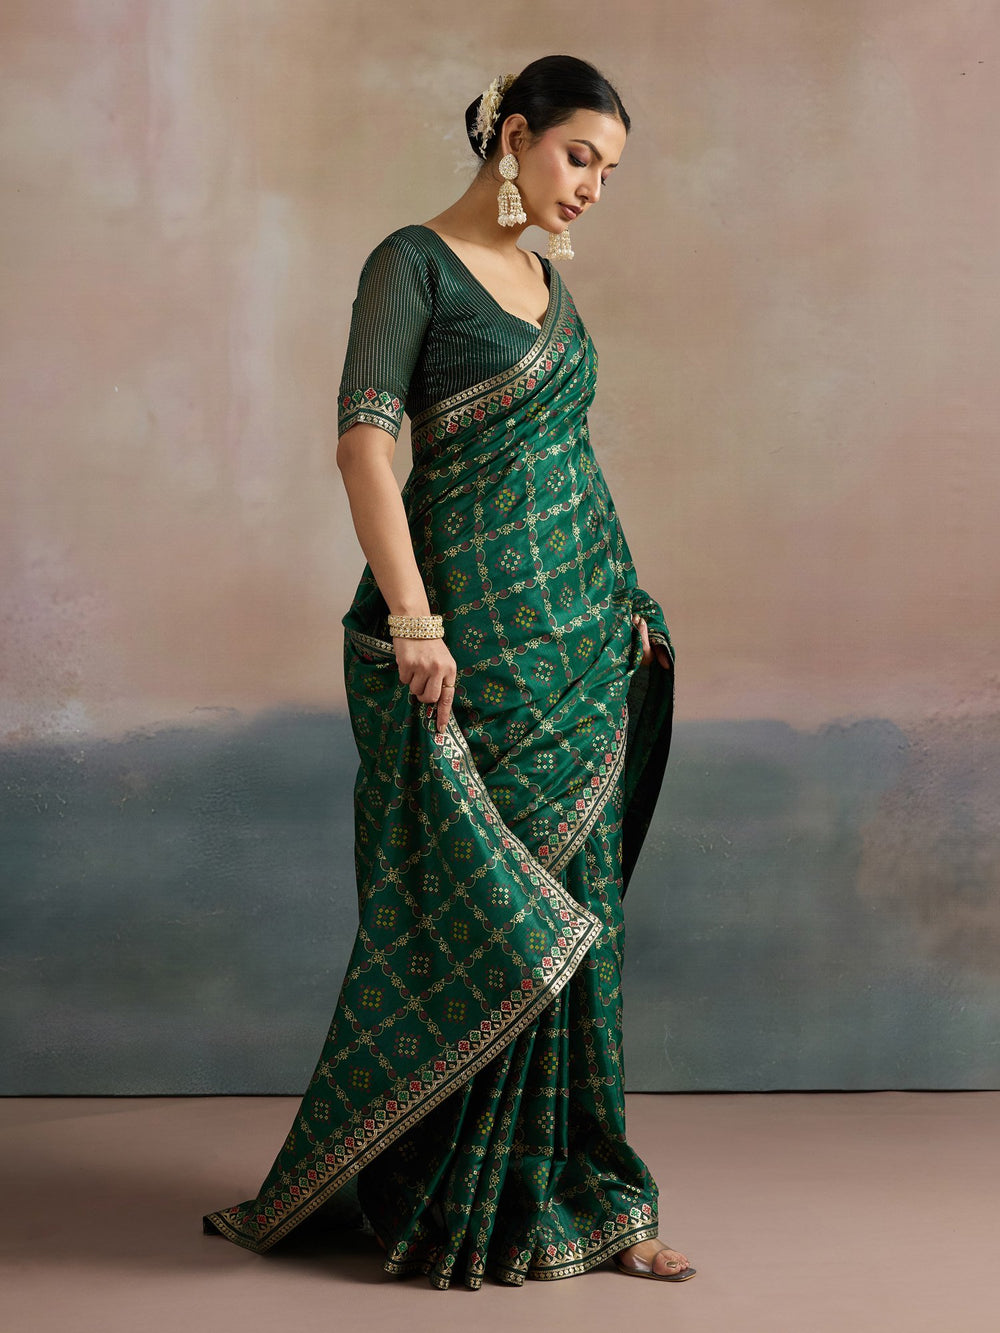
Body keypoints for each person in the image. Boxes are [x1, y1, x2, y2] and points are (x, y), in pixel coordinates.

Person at [202, 54, 694, 1290]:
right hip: (476, 644)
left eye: (608, 171)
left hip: (579, 643)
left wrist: (624, 600)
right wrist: (416, 621)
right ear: (514, 136)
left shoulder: (545, 284)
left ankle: (588, 1196)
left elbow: (565, 469)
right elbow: (363, 448)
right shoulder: (411, 265)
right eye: (579, 156)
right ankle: (452, 1196)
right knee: (484, 917)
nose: (592, 187)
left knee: (584, 924)